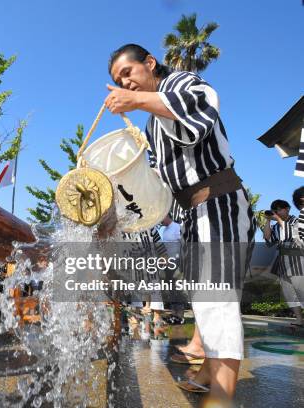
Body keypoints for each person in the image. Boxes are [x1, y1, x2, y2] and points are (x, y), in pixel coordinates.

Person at [107, 44, 255, 403]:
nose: (124, 82)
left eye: (128, 72)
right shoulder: (150, 123)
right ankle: (208, 369)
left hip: (217, 199)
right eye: (117, 80)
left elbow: (197, 119)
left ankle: (221, 394)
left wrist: (137, 100)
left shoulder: (184, 83)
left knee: (216, 297)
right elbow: (157, 176)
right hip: (192, 211)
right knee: (201, 299)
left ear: (150, 63)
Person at [263, 199, 304, 327]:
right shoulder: (276, 226)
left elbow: (290, 235)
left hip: (298, 262)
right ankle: (299, 319)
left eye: (279, 209)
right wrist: (268, 220)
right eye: (275, 211)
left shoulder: (297, 221)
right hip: (283, 263)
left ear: (287, 209)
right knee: (289, 293)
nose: (277, 213)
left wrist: (278, 219)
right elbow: (268, 240)